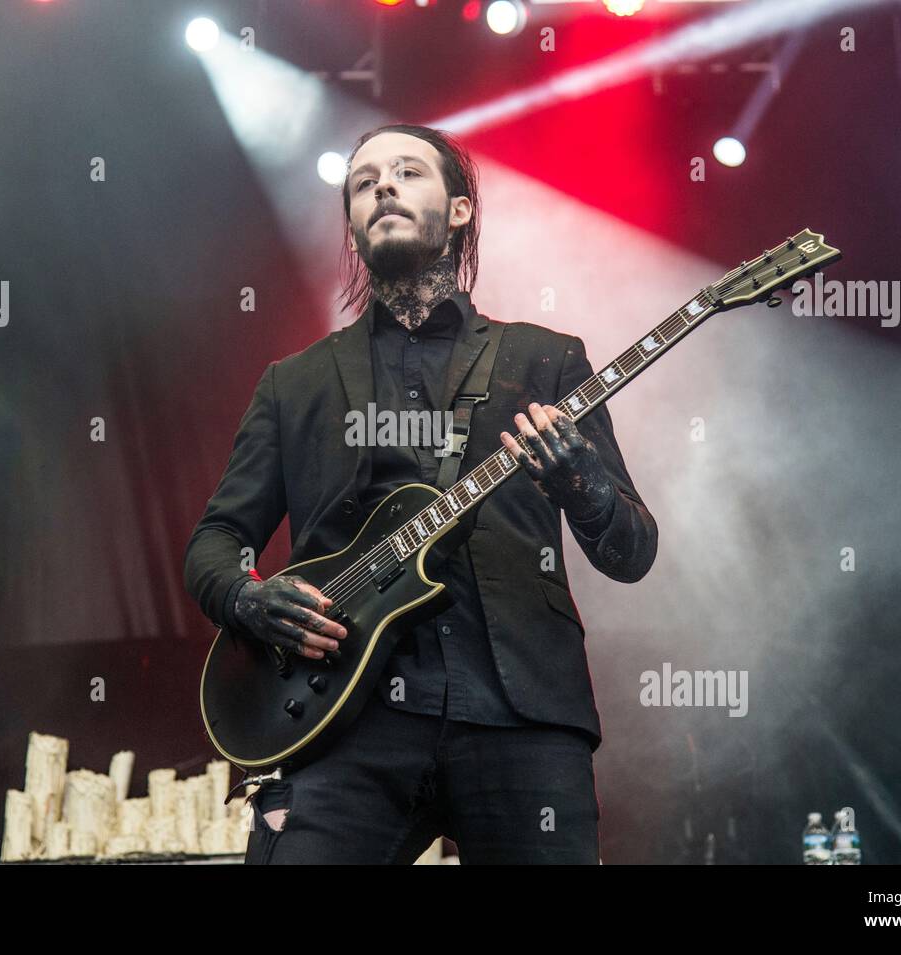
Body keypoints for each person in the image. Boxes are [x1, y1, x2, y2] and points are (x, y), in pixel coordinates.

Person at [183, 124, 657, 863]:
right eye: (364, 180)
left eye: (407, 171)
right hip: (343, 719)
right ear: (352, 222)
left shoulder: (547, 359)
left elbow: (633, 550)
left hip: (521, 713)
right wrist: (251, 600)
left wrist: (580, 481)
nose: (383, 186)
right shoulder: (296, 382)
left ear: (461, 210)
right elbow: (215, 541)